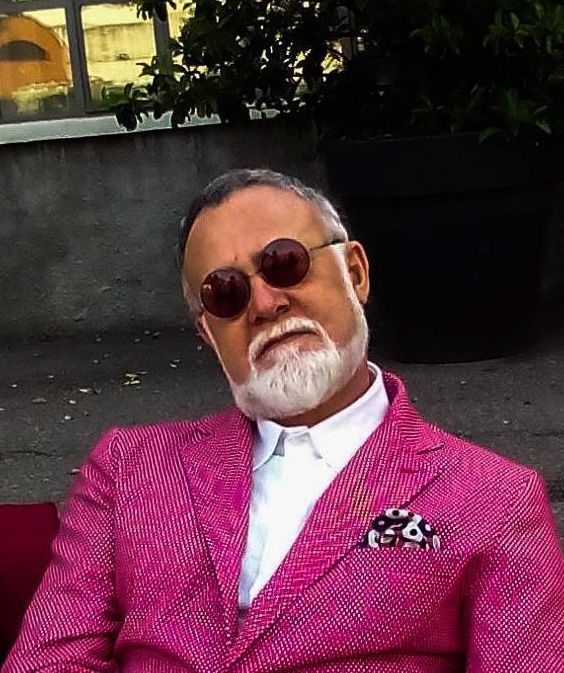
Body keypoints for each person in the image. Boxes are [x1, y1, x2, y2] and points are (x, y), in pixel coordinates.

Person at [3, 169, 562, 673]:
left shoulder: (494, 499)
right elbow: (50, 659)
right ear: (208, 335)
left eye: (285, 263)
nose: (266, 303)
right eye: (226, 293)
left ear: (355, 273)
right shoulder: (129, 468)